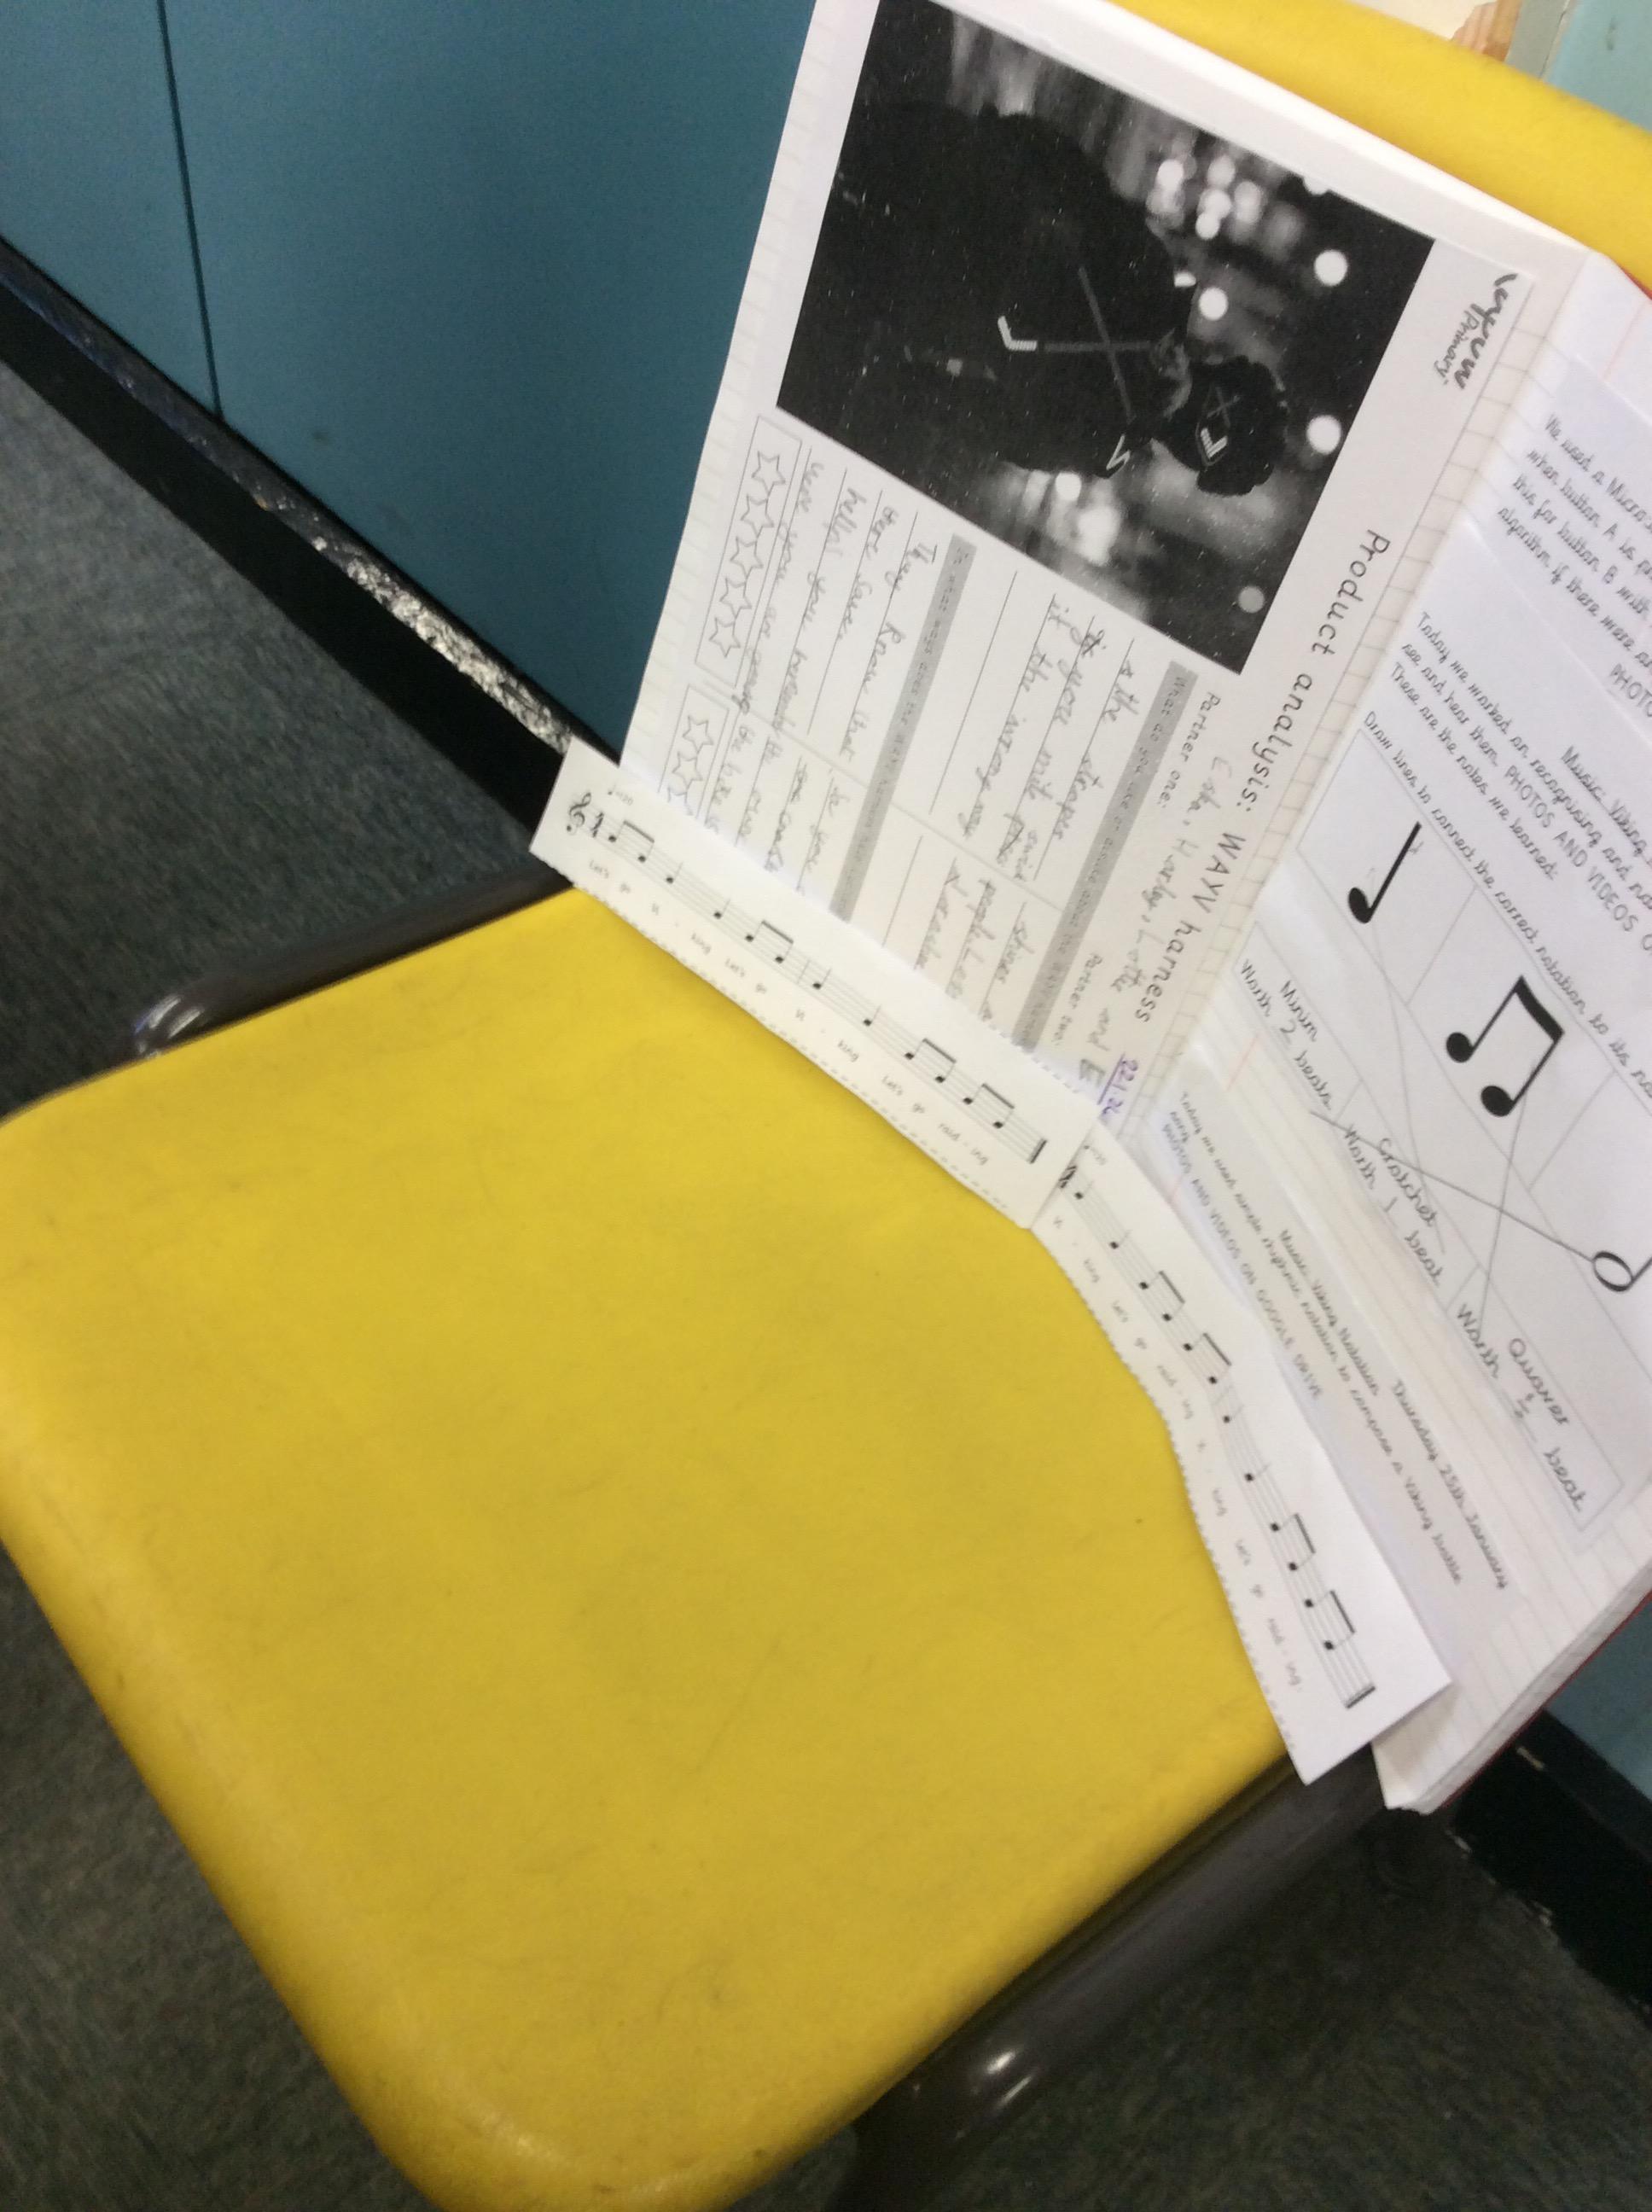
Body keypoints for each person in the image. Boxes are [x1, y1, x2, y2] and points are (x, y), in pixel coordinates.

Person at [782, 100, 1285, 497]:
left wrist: (1007, 139)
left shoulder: (1107, 430)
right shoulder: (1105, 433)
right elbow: (987, 424)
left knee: (811, 168)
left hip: (951, 241)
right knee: (810, 183)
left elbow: (993, 424)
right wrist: (913, 383)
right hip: (949, 243)